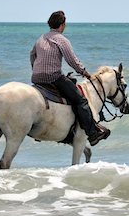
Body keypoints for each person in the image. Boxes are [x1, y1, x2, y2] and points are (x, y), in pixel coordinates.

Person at [30, 10, 110, 146]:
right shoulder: (61, 40)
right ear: (62, 25)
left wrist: (36, 70)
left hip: (37, 78)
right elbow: (72, 60)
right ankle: (92, 133)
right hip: (53, 77)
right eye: (65, 23)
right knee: (81, 100)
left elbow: (32, 55)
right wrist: (85, 73)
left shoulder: (41, 38)